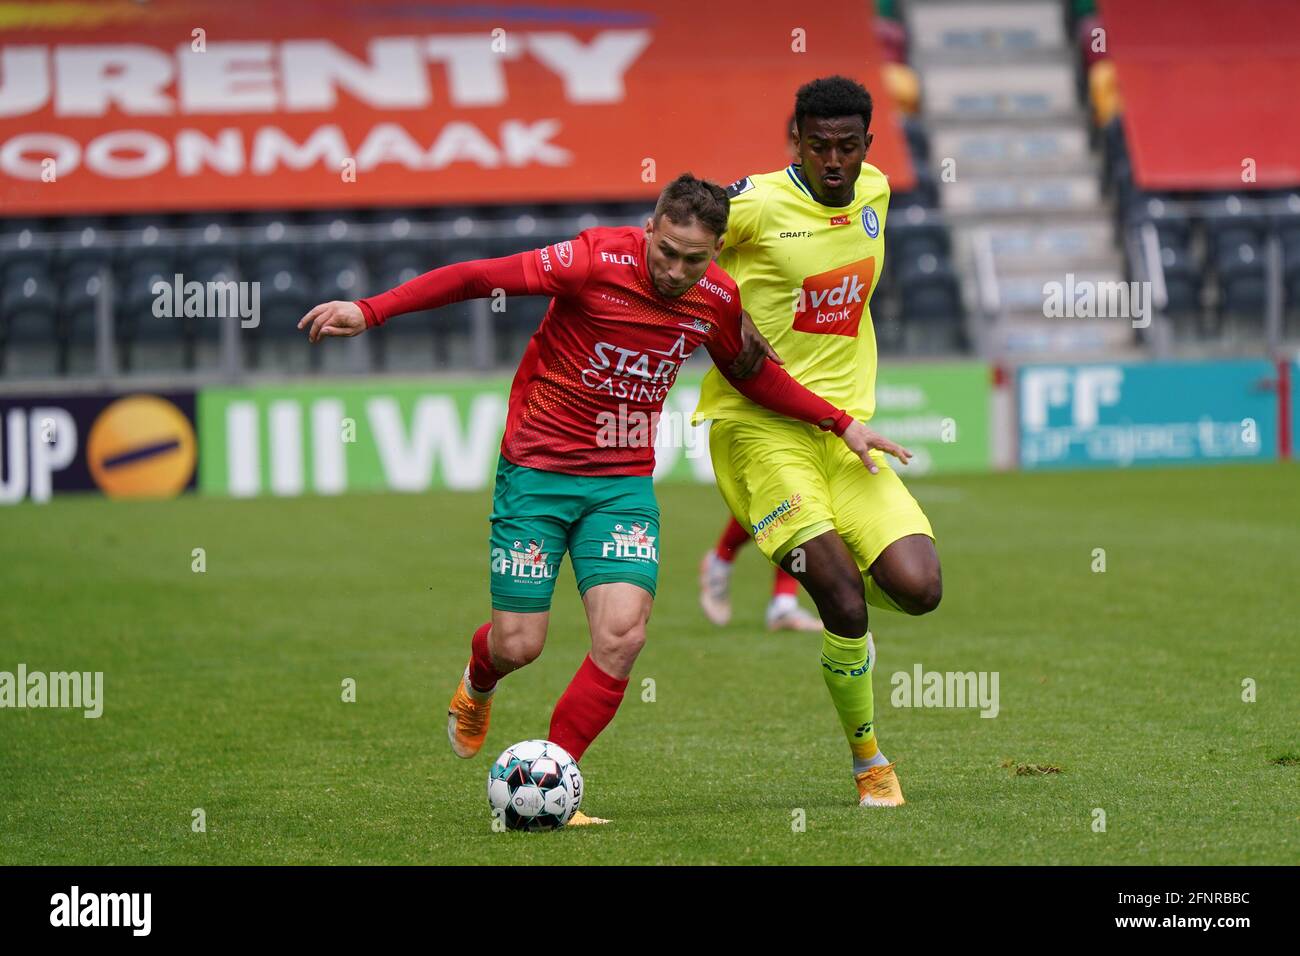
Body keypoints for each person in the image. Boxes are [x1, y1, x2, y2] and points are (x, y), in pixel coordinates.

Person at [299, 172, 912, 823]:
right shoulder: (592, 259)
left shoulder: (717, 299)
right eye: (666, 250)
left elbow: (754, 373)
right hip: (536, 473)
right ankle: (479, 679)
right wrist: (371, 310)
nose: (675, 269)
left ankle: (551, 783)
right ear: (649, 229)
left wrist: (840, 421)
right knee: (519, 646)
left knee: (621, 636)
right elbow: (480, 276)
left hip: (621, 486)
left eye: (693, 258)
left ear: (717, 251)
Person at [692, 77, 944, 808]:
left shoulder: (877, 195)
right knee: (843, 598)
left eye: (846, 146)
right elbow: (674, 230)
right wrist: (717, 311)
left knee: (919, 588)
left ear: (868, 146)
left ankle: (827, 590)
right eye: (816, 145)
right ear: (794, 142)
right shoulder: (759, 203)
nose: (832, 161)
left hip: (846, 435)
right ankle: (870, 762)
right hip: (759, 430)